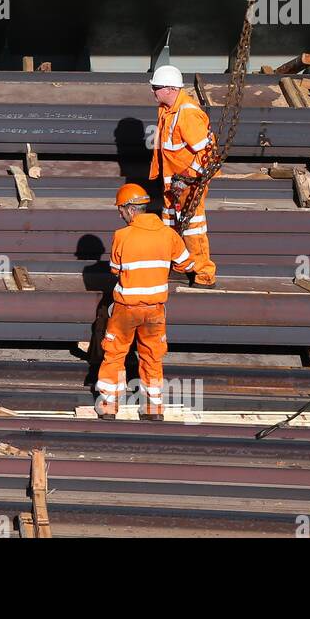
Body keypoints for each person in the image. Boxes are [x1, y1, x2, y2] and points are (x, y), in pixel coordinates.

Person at [96, 184, 194, 420]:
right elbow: (187, 266)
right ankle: (153, 409)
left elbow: (114, 269)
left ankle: (109, 406)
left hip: (126, 310)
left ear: (130, 210)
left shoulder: (122, 236)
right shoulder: (168, 234)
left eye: (120, 209)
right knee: (152, 356)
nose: (120, 214)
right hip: (154, 311)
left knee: (115, 354)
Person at [148, 64, 217, 287]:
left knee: (193, 229)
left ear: (170, 89)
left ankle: (204, 275)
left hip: (188, 184)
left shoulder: (187, 114)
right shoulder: (167, 109)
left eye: (156, 88)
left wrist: (188, 175)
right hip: (172, 184)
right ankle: (180, 266)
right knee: (171, 226)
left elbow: (208, 152)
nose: (153, 92)